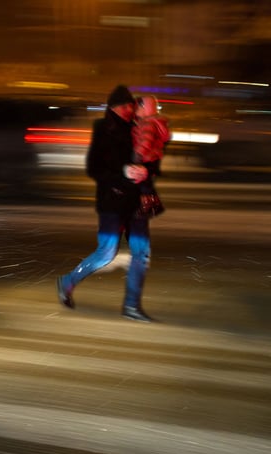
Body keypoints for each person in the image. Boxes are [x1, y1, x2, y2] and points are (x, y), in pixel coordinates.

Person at [56, 84, 154, 322]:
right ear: (115, 107)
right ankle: (68, 281)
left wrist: (145, 174)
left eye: (133, 106)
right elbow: (93, 168)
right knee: (106, 253)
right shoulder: (102, 129)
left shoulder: (138, 128)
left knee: (141, 254)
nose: (131, 110)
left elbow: (149, 161)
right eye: (127, 106)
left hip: (136, 203)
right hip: (112, 202)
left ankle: (132, 306)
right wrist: (123, 174)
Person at [132, 95, 171, 219]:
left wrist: (138, 154)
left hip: (147, 158)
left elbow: (146, 141)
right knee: (146, 184)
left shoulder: (148, 123)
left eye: (138, 107)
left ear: (146, 108)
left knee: (143, 184)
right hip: (153, 158)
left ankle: (147, 207)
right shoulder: (149, 122)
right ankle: (154, 207)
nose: (136, 110)